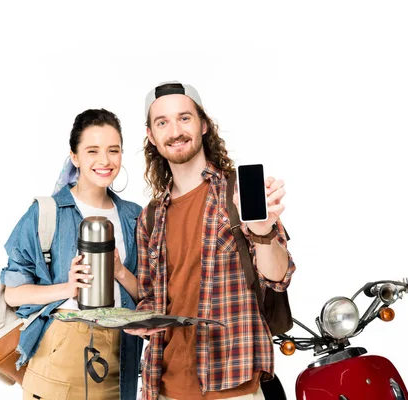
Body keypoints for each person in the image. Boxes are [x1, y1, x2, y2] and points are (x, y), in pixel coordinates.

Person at [125, 82, 296, 399]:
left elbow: (278, 277)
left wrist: (262, 232)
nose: (175, 130)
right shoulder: (151, 216)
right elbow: (153, 297)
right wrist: (141, 318)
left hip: (233, 387)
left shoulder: (238, 192)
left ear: (203, 124)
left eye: (184, 118)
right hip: (162, 387)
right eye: (162, 122)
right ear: (151, 135)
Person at [0, 109, 143, 399]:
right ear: (74, 157)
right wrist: (67, 288)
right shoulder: (46, 213)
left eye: (113, 150)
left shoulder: (134, 217)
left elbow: (150, 296)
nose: (105, 161)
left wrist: (120, 272)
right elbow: (12, 294)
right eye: (92, 151)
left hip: (119, 356)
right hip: (59, 352)